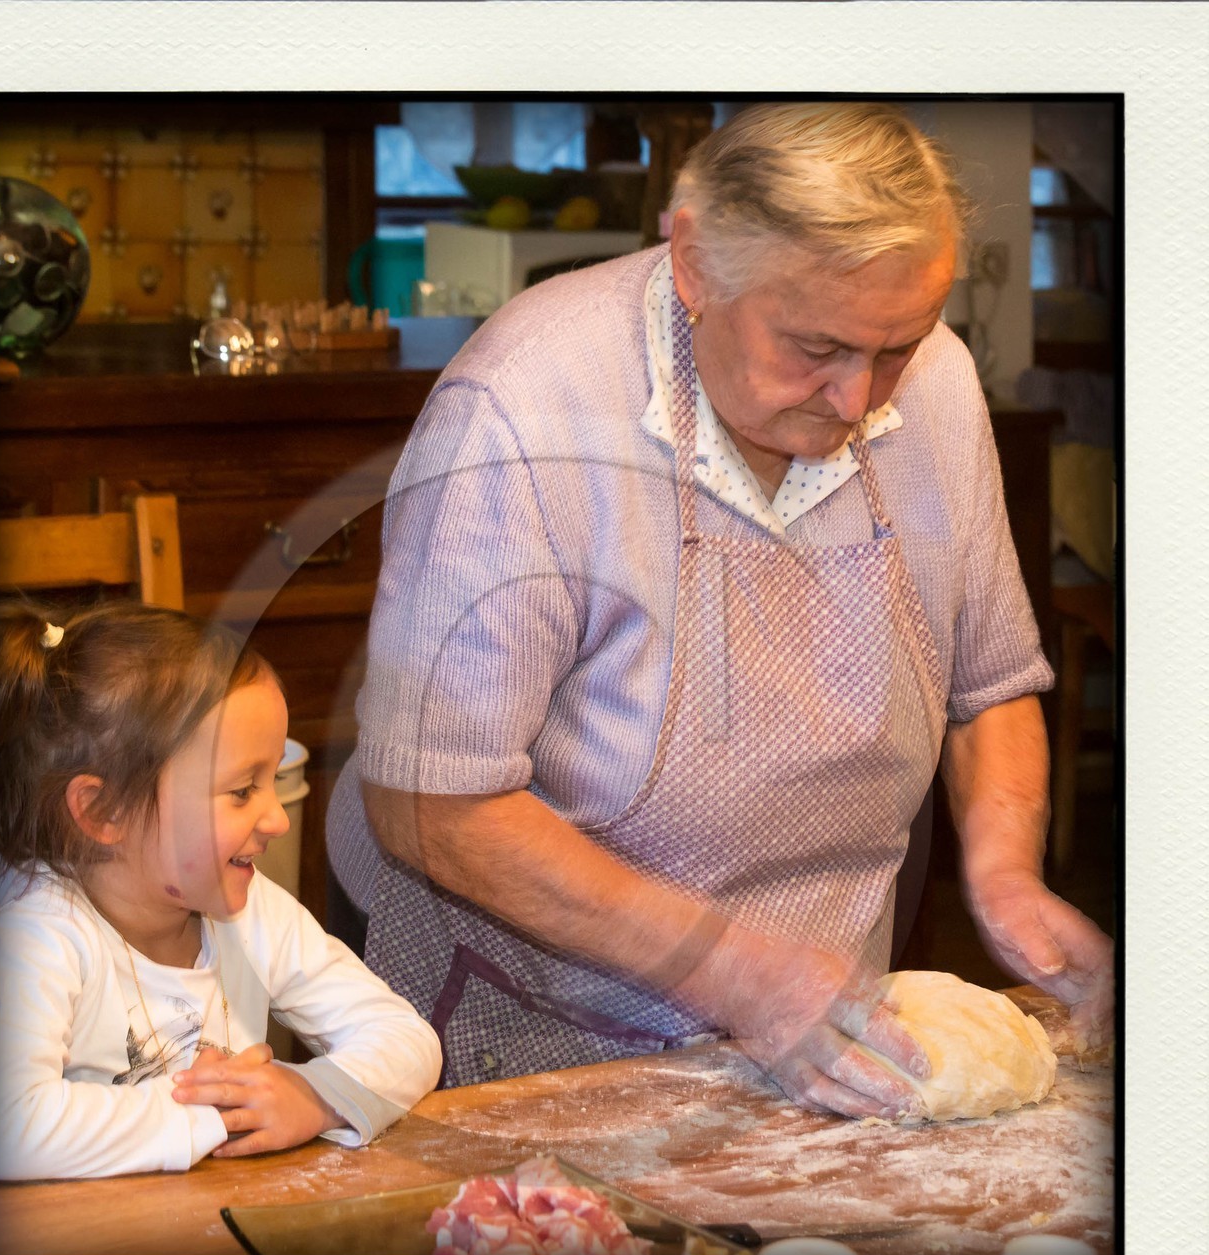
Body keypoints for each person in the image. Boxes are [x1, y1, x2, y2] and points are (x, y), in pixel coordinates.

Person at [326, 101, 1113, 1114]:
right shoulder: (524, 406)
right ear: (695, 264)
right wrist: (732, 972)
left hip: (824, 1025)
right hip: (539, 1041)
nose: (857, 399)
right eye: (815, 347)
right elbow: (431, 802)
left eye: (896, 349)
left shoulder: (941, 385)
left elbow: (989, 684)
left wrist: (1004, 876)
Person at [0, 600, 441, 1181]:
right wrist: (219, 1113)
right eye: (241, 791)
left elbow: (408, 1038)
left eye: (271, 780)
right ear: (103, 813)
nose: (277, 819)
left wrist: (316, 1095)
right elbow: (5, 1124)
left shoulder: (253, 913)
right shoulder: (36, 934)